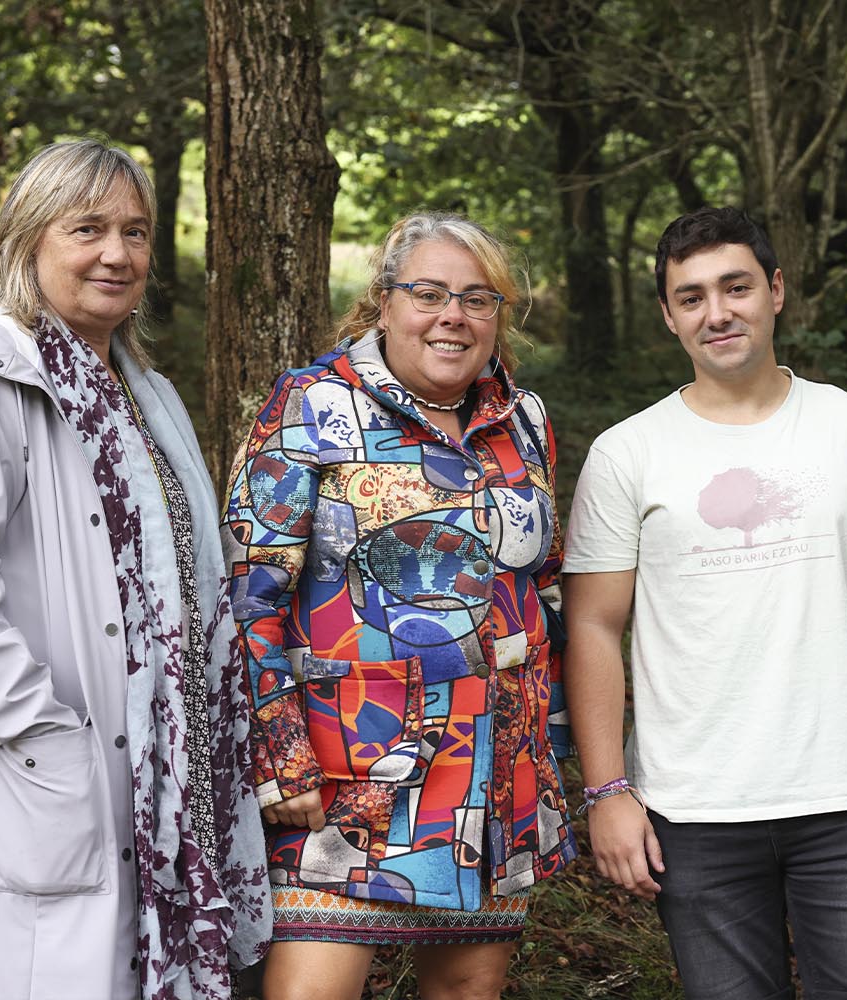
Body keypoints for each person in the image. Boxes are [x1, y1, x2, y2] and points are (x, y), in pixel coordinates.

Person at [0, 138, 271, 1000]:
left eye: (135, 231)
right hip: (39, 759)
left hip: (153, 765)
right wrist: (41, 733)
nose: (117, 254)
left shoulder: (145, 390)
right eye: (86, 229)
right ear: (28, 240)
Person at [562, 207, 847, 1000]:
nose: (717, 312)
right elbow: (593, 624)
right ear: (669, 315)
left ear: (776, 290)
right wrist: (606, 792)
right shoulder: (628, 453)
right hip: (693, 810)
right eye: (691, 296)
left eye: (736, 287)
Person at [222, 212, 574, 1000]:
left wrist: (549, 752)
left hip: (494, 782)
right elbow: (247, 599)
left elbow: (544, 592)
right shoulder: (312, 405)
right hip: (351, 780)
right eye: (429, 294)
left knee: (466, 991)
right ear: (384, 303)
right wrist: (280, 760)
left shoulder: (524, 421)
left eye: (477, 299)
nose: (454, 316)